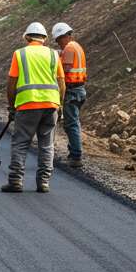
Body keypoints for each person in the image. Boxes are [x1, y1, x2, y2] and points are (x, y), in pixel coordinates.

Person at [2, 22, 65, 194]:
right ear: (44, 38)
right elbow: (61, 82)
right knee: (46, 145)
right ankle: (43, 182)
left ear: (27, 37)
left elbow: (11, 83)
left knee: (21, 143)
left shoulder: (20, 54)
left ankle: (15, 181)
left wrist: (11, 106)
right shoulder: (54, 55)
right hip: (51, 105)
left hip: (27, 104)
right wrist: (60, 105)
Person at [53, 22, 87, 167]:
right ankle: (73, 152)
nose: (59, 44)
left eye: (58, 40)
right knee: (72, 123)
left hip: (72, 91)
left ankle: (76, 156)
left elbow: (65, 69)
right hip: (79, 89)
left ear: (63, 36)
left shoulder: (68, 49)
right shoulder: (76, 46)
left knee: (71, 124)